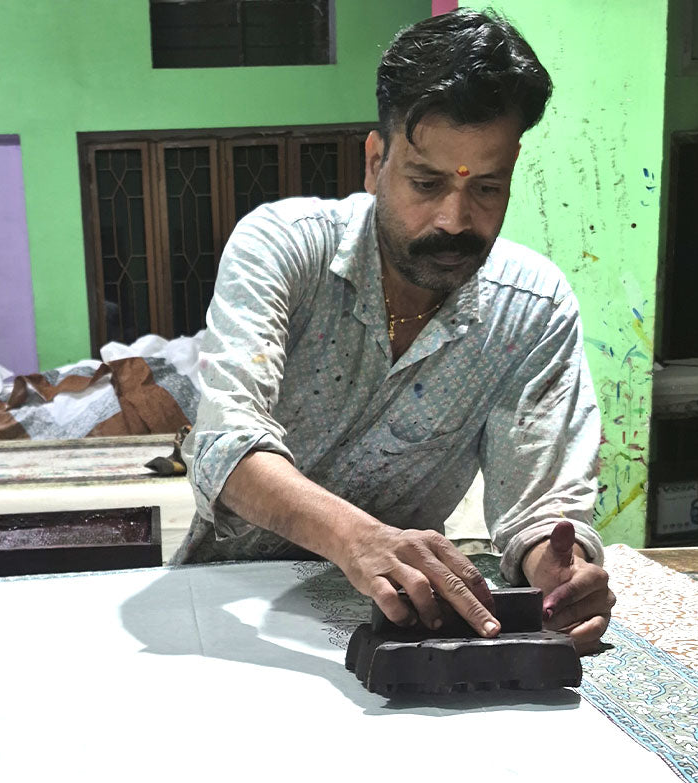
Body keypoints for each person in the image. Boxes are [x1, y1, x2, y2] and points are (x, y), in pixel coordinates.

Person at [174, 8, 615, 653]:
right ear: (375, 160)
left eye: (487, 187)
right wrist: (360, 538)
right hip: (224, 597)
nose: (454, 219)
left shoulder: (534, 308)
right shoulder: (283, 249)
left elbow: (540, 507)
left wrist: (557, 573)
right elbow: (223, 445)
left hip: (407, 620)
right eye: (425, 182)